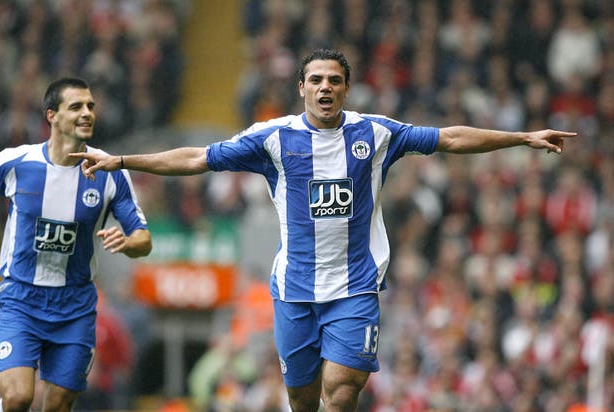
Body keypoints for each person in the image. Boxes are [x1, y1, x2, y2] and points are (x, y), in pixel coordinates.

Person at [71, 49, 577, 412]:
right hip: (295, 289)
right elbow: (195, 157)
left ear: (346, 88)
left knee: (342, 386)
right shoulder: (273, 139)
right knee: (304, 397)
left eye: (334, 80)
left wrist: (521, 137)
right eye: (316, 80)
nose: (325, 88)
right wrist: (120, 159)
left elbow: (450, 137)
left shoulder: (375, 133)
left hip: (355, 284)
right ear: (302, 88)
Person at [0, 77, 152, 412]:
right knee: (17, 398)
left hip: (74, 306)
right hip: (21, 298)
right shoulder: (17, 162)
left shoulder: (109, 171)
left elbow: (144, 239)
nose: (87, 113)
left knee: (57, 404)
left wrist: (128, 243)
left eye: (90, 107)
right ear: (52, 115)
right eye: (76, 107)